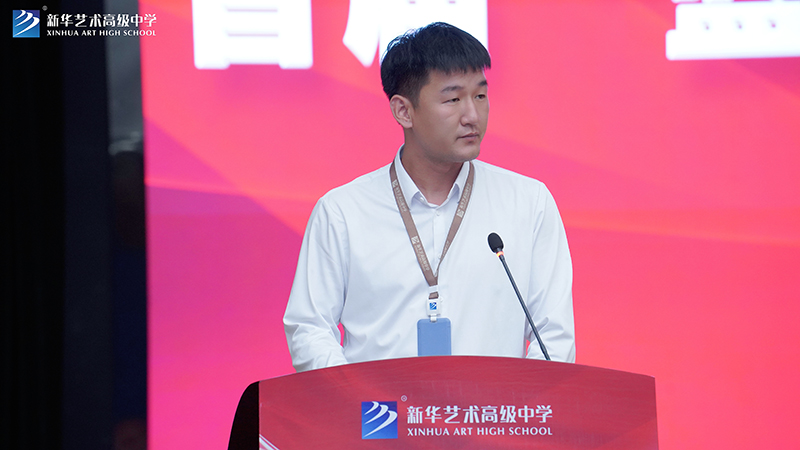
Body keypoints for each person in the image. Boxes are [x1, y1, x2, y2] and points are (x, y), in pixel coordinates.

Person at [284, 22, 575, 372]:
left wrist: (522, 402)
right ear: (403, 111)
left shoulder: (528, 203)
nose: (472, 115)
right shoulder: (342, 212)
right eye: (453, 99)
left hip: (493, 408)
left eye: (480, 96)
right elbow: (310, 328)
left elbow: (554, 336)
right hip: (376, 408)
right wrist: (352, 397)